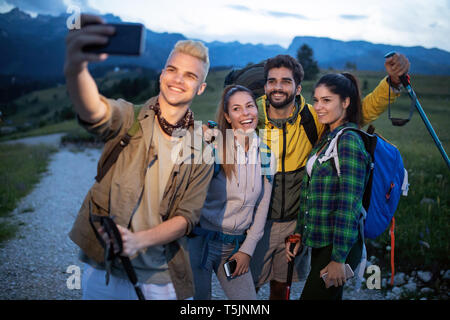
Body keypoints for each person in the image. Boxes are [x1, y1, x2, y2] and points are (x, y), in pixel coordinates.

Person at [65, 14, 213, 300]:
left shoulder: (203, 149)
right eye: (172, 69)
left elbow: (187, 217)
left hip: (161, 279)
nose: (178, 80)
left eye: (190, 75)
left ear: (200, 88)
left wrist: (137, 241)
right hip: (104, 272)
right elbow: (94, 112)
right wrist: (76, 68)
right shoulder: (129, 117)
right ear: (162, 74)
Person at [250, 54, 410, 299]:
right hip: (257, 224)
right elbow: (224, 132)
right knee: (245, 289)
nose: (278, 87)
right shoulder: (251, 117)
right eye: (272, 81)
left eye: (286, 81)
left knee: (281, 288)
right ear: (265, 86)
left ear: (297, 87)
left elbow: (358, 112)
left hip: (296, 225)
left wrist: (392, 84)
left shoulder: (314, 118)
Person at [286, 72, 370, 300]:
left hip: (338, 247)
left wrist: (338, 259)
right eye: (316, 100)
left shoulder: (349, 141)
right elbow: (309, 195)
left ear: (345, 102)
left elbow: (349, 205)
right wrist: (299, 234)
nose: (318, 107)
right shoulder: (327, 138)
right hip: (323, 243)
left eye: (327, 100)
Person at [188, 85, 275, 299]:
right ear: (227, 116)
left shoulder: (267, 155)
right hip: (201, 243)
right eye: (236, 109)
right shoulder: (214, 146)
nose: (245, 113)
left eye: (249, 106)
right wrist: (200, 134)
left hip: (234, 247)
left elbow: (263, 206)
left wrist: (247, 250)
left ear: (257, 110)